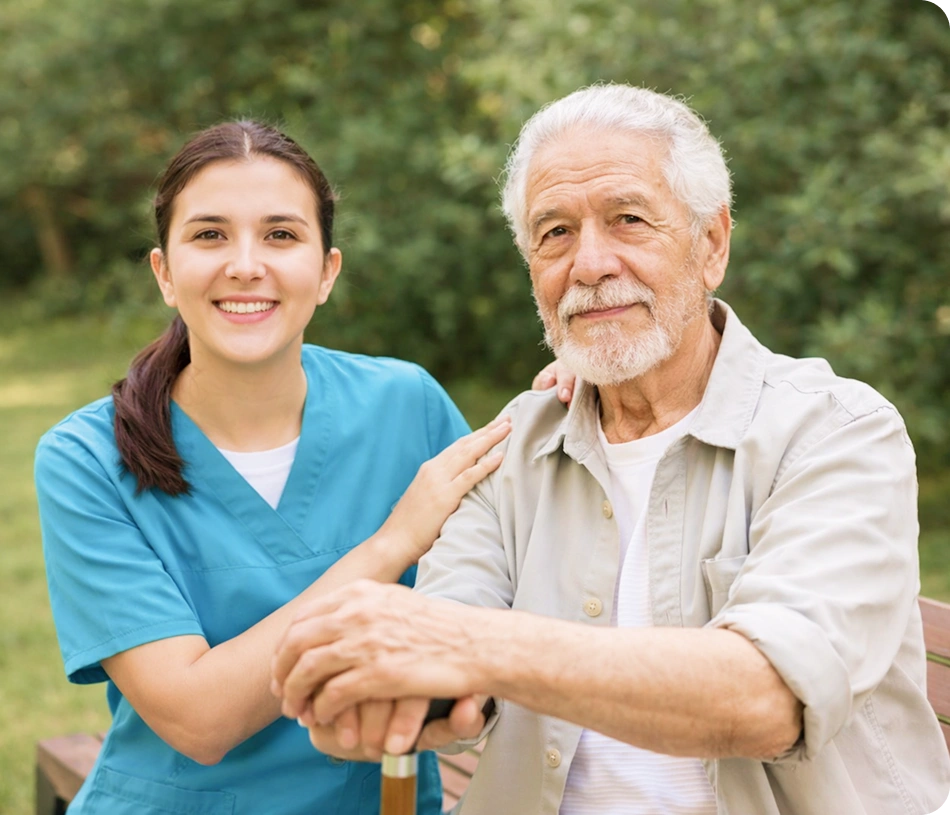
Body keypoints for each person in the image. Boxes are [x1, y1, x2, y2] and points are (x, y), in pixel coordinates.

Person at [271, 85, 950, 814]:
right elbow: (449, 635)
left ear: (711, 244)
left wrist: (468, 643)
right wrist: (386, 693)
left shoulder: (836, 431)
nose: (590, 263)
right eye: (555, 232)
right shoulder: (518, 443)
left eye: (627, 219)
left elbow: (767, 696)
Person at [33, 120, 515, 815]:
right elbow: (197, 718)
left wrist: (585, 388)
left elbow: (520, 565)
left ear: (327, 271)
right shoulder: (85, 460)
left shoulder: (407, 405)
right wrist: (388, 547)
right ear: (165, 273)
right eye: (209, 235)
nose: (246, 264)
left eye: (281, 235)